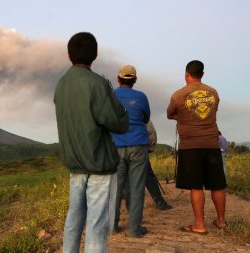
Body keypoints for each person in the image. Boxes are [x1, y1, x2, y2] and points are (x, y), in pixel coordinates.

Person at [54, 32, 129, 253]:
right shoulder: (97, 84)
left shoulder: (61, 84)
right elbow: (117, 122)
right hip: (99, 165)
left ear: (69, 55)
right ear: (95, 55)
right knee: (96, 225)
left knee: (73, 220)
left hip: (74, 165)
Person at [167, 60, 227, 235]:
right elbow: (213, 110)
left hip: (190, 146)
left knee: (196, 186)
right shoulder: (213, 92)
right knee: (217, 185)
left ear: (186, 75)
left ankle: (199, 225)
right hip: (212, 144)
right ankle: (221, 221)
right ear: (202, 74)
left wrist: (182, 117)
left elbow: (170, 113)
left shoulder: (179, 95)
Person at [111, 65, 151, 237]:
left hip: (116, 146)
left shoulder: (111, 95)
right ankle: (134, 229)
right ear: (135, 80)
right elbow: (146, 118)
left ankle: (112, 226)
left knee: (115, 188)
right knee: (136, 187)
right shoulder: (141, 97)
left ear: (118, 79)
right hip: (138, 146)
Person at [145, 120, 172, 210]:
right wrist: (149, 148)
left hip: (119, 148)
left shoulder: (115, 109)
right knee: (148, 177)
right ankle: (159, 201)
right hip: (139, 149)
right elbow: (151, 131)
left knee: (121, 177)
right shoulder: (140, 109)